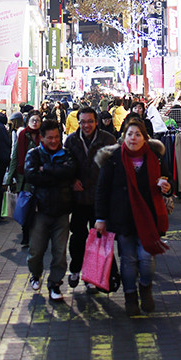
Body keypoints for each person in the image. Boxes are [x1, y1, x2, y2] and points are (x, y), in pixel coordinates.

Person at [94, 116, 171, 316]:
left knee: (146, 260)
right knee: (128, 260)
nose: (133, 138)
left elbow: (167, 179)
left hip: (148, 218)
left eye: (138, 134)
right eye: (130, 134)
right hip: (123, 218)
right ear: (124, 137)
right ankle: (130, 296)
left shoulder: (155, 157)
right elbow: (102, 190)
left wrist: (166, 186)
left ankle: (145, 287)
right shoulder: (113, 159)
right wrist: (100, 218)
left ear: (145, 138)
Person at [24, 118, 77, 302]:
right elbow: (31, 176)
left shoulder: (67, 153)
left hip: (62, 211)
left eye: (56, 137)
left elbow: (70, 172)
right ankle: (35, 274)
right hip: (40, 211)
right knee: (36, 251)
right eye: (50, 138)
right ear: (42, 138)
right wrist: (57, 174)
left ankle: (55, 284)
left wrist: (45, 169)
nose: (54, 141)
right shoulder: (34, 154)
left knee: (60, 253)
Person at [65, 105, 116, 288]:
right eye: (82, 122)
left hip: (99, 200)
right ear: (78, 123)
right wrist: (72, 180)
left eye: (90, 122)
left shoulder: (108, 139)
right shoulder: (71, 140)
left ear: (96, 122)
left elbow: (114, 167)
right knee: (77, 238)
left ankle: (92, 276)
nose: (86, 125)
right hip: (78, 199)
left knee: (99, 239)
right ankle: (75, 269)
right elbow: (65, 164)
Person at [14, 109, 42, 246]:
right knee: (26, 208)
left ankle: (38, 235)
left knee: (39, 208)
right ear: (28, 121)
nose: (35, 123)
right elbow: (15, 156)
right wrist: (9, 179)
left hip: (41, 177)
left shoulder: (44, 135)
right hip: (24, 178)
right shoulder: (22, 135)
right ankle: (26, 236)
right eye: (33, 120)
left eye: (37, 120)